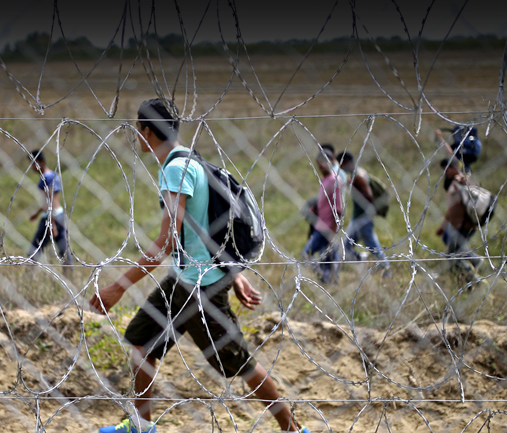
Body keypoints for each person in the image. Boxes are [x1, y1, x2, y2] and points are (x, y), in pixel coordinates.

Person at [89, 98, 308, 433]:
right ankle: (141, 425)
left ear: (146, 132)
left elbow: (167, 241)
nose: (137, 138)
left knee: (240, 364)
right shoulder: (189, 159)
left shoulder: (176, 170)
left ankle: (293, 429)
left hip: (199, 287)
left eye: (138, 132)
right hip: (183, 279)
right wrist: (234, 275)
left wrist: (117, 287)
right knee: (140, 341)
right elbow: (205, 227)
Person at [336, 151, 391, 277]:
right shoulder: (358, 173)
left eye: (340, 164)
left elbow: (369, 195)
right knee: (347, 246)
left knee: (371, 245)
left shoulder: (358, 176)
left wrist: (353, 187)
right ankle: (366, 259)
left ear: (345, 163)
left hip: (363, 218)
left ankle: (385, 268)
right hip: (358, 218)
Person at [28, 149, 73, 276]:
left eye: (33, 163)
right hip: (60, 215)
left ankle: (29, 277)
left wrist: (51, 223)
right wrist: (37, 213)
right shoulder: (53, 175)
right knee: (63, 249)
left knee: (34, 250)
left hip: (50, 217)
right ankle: (70, 276)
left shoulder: (45, 178)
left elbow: (50, 202)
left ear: (41, 163)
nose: (31, 167)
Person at [301, 149, 343, 284]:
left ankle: (327, 279)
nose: (321, 167)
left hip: (328, 228)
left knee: (307, 255)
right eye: (319, 164)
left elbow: (338, 209)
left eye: (324, 163)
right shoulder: (325, 180)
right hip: (320, 225)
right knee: (327, 258)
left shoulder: (334, 180)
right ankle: (328, 280)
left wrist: (333, 230)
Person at [437, 157, 482, 282]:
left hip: (465, 225)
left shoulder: (463, 180)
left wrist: (463, 181)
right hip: (457, 225)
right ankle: (473, 266)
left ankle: (473, 279)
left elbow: (473, 192)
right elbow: (452, 208)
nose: (445, 174)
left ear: (455, 168)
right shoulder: (453, 183)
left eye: (447, 170)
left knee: (453, 256)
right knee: (455, 253)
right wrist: (443, 226)